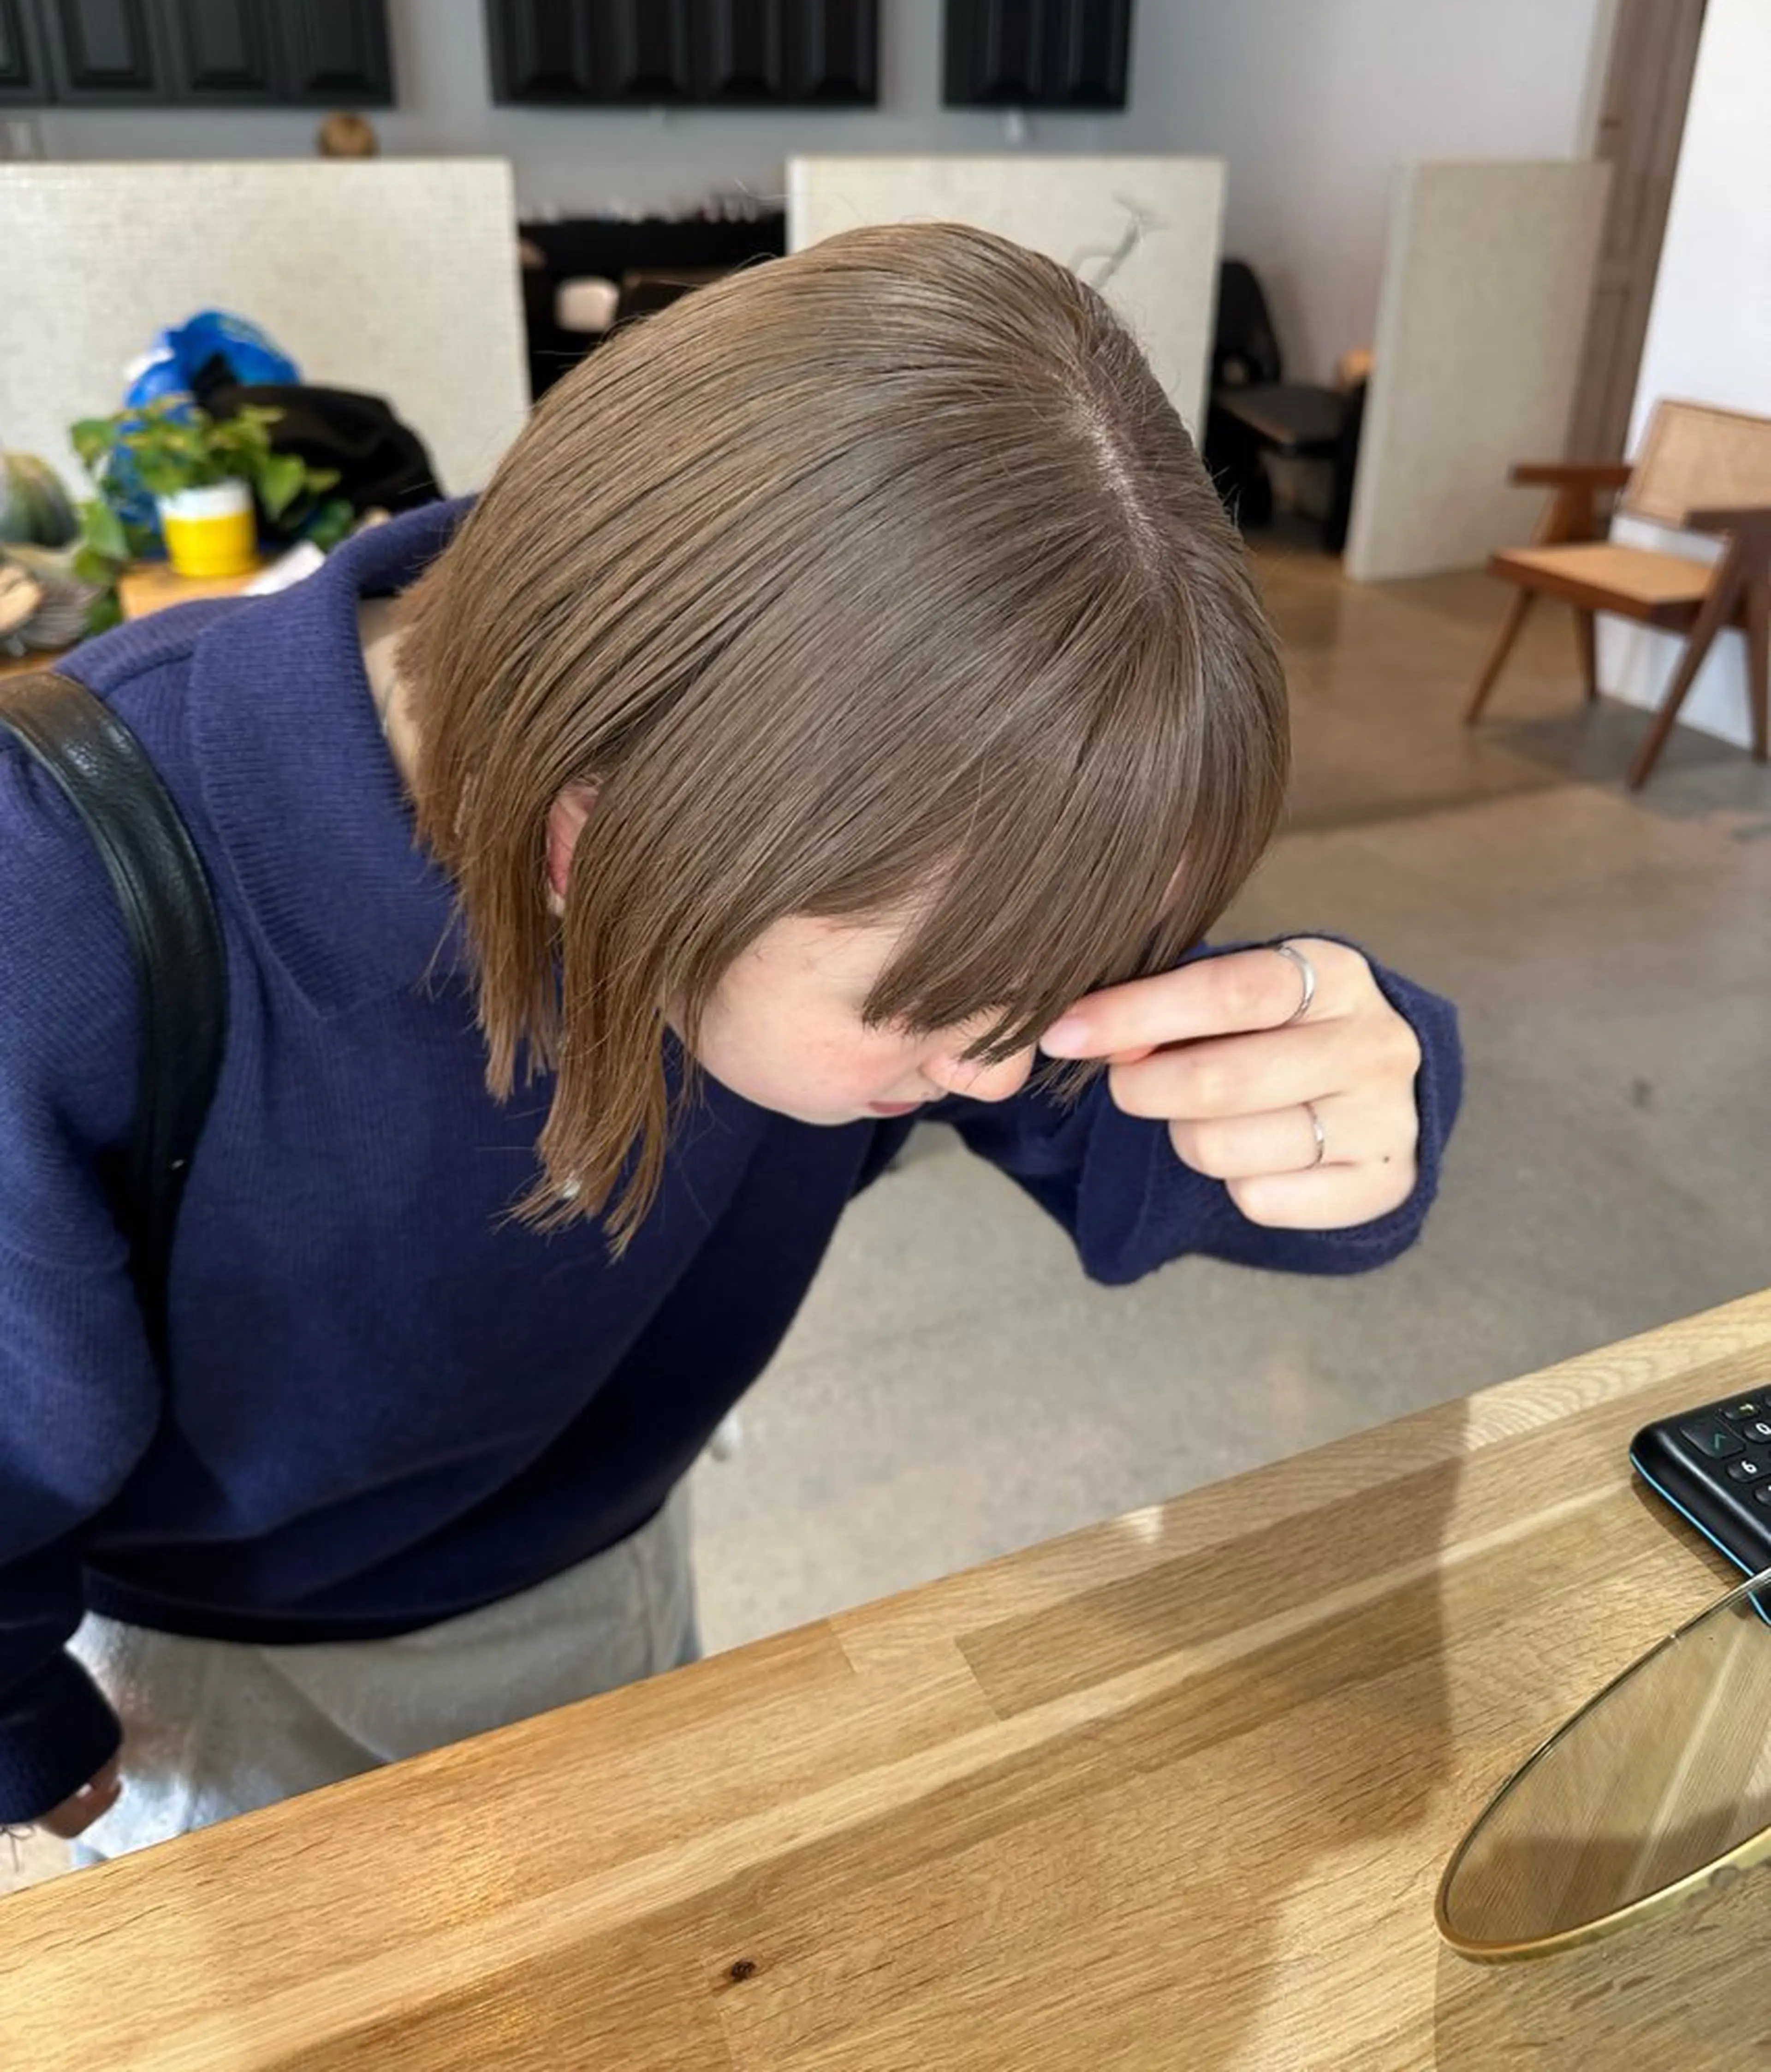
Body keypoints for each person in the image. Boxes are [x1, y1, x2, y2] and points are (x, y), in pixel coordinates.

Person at [0, 224, 1460, 1863]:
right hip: (209, 1687)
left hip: (611, 1558)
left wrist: (1344, 1091)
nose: (1010, 1064)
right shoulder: (62, 901)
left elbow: (1173, 1128)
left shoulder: (875, 829)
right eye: (933, 1017)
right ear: (600, 855)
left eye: (1062, 979)